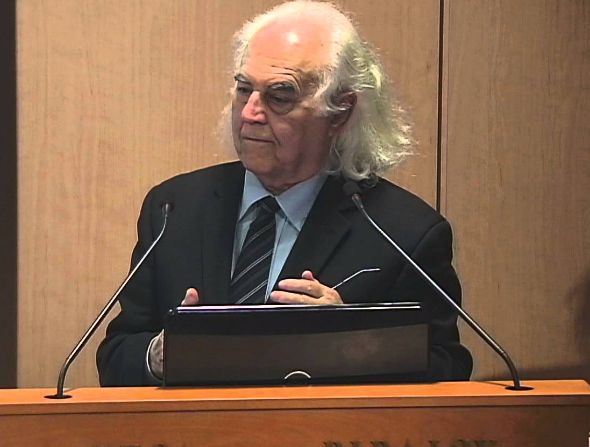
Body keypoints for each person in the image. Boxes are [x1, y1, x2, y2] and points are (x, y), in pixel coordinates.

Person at [97, 0, 472, 386]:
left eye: (279, 96)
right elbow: (117, 355)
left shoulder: (403, 233)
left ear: (339, 112)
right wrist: (159, 355)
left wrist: (354, 341)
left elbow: (448, 368)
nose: (249, 114)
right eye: (244, 90)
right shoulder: (174, 208)